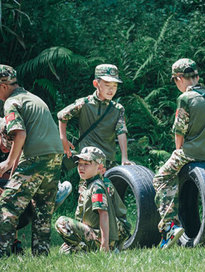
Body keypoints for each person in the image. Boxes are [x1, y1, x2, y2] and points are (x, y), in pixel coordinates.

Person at [153, 58, 205, 250]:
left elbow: (180, 131)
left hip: (192, 152)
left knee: (160, 179)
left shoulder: (185, 98)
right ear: (197, 76)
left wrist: (177, 152)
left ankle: (169, 226)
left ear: (178, 78)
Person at [0, 64, 64, 257]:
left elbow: (19, 134)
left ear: (2, 85)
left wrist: (8, 162)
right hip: (55, 155)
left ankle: (3, 252)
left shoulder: (11, 102)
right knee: (42, 209)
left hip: (36, 157)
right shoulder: (32, 98)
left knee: (7, 206)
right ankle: (41, 256)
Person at [55, 146, 130, 253]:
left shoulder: (97, 186)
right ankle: (88, 247)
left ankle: (103, 247)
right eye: (79, 164)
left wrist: (105, 244)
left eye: (86, 164)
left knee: (62, 222)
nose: (81, 167)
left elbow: (104, 214)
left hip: (107, 233)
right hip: (98, 230)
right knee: (64, 251)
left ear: (100, 168)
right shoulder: (88, 183)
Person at [57, 63, 133, 169]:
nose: (111, 90)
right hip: (87, 159)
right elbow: (62, 116)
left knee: (107, 185)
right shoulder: (84, 103)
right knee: (87, 185)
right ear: (96, 83)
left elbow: (121, 132)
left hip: (108, 160)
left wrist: (124, 158)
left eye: (114, 86)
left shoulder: (118, 109)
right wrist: (63, 138)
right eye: (107, 85)